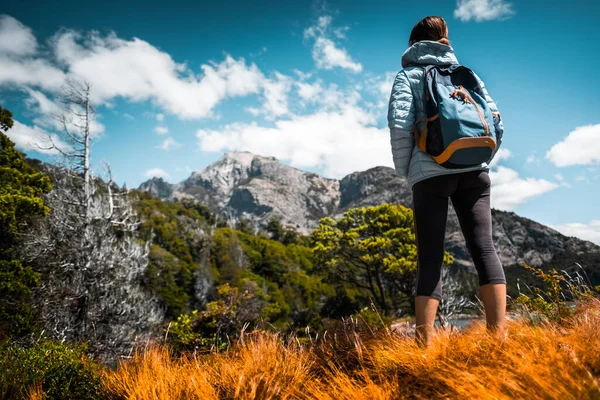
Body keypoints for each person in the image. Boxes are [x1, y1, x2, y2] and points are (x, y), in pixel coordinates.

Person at [387, 16, 507, 346]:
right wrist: (481, 159)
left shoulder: (408, 76)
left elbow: (400, 126)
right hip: (475, 171)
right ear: (445, 39)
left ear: (413, 43)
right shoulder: (465, 74)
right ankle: (499, 339)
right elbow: (496, 122)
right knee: (485, 249)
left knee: (430, 257)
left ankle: (424, 345)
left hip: (430, 174)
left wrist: (407, 171)